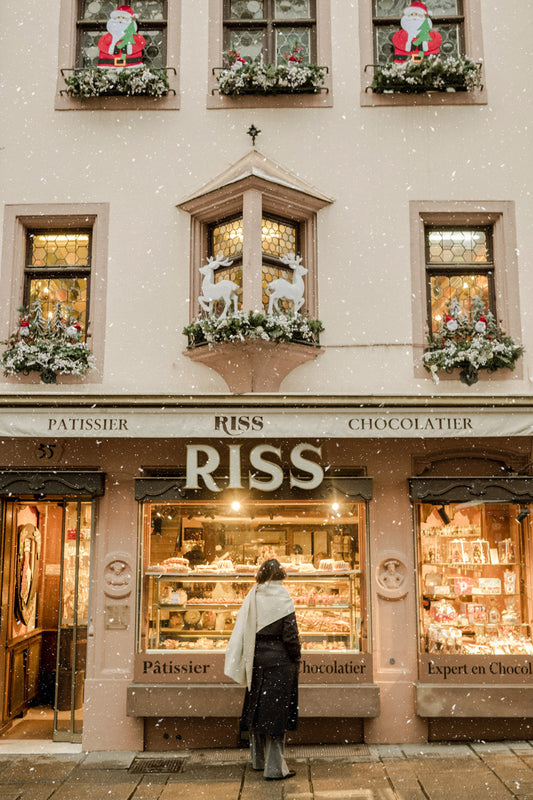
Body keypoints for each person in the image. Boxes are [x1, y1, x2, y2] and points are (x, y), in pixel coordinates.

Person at [224, 558, 300, 781]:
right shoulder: (283, 596)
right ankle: (275, 768)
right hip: (280, 662)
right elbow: (290, 635)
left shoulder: (253, 595)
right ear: (281, 574)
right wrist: (296, 656)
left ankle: (257, 760)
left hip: (256, 659)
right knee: (276, 715)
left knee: (256, 709)